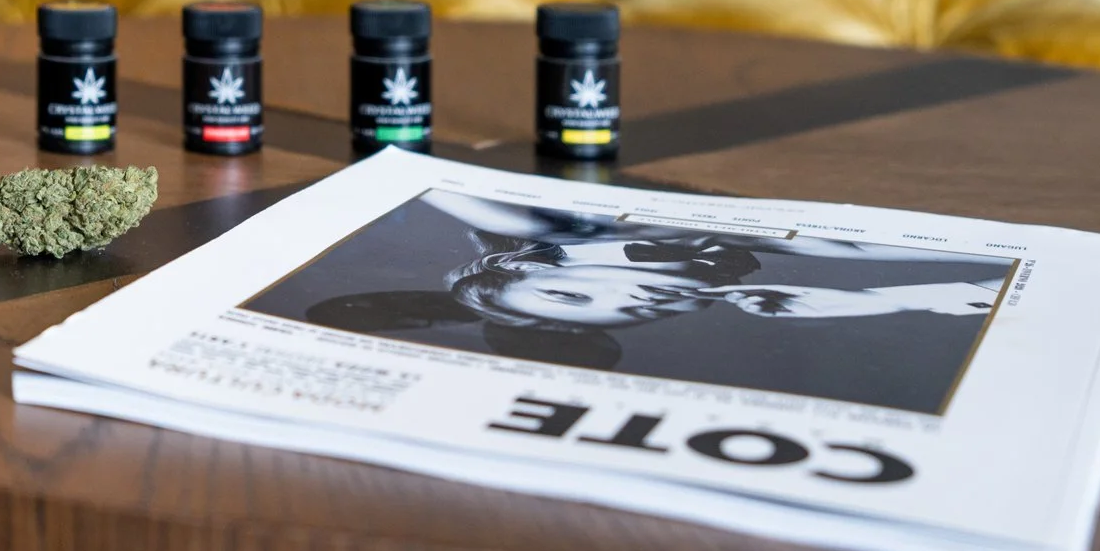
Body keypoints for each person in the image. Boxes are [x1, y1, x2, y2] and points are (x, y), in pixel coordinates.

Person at [304, 190, 1001, 361]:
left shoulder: (499, 210)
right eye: (631, 314)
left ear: (513, 262)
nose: (628, 296)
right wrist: (878, 303)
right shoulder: (770, 251)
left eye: (571, 293)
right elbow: (986, 270)